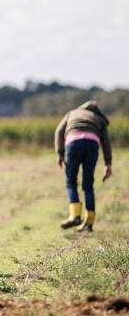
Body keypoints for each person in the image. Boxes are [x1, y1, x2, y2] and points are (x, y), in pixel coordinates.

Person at [55, 100, 113, 233]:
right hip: (92, 144)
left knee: (71, 181)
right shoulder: (99, 119)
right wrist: (108, 163)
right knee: (88, 184)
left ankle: (75, 216)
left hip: (73, 142)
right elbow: (106, 142)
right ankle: (89, 222)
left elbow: (59, 131)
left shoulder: (72, 113)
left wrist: (60, 153)